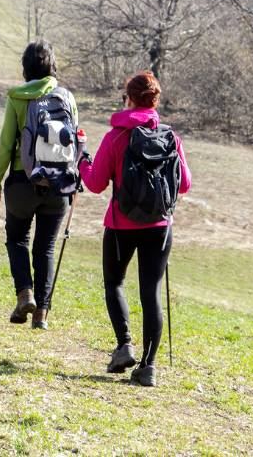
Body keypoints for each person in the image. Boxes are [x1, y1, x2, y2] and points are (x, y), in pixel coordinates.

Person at [79, 71, 192, 387]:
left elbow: (96, 182)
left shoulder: (116, 137)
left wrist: (82, 159)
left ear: (128, 99)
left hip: (121, 226)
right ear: (154, 101)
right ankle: (148, 367)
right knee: (150, 293)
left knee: (114, 283)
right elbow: (185, 184)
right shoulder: (170, 137)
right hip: (160, 227)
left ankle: (124, 345)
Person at [0, 40, 78, 330]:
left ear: (25, 68)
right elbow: (73, 141)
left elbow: (6, 144)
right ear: (52, 65)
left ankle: (24, 293)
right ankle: (42, 313)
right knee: (46, 248)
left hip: (21, 181)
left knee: (16, 239)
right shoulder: (66, 97)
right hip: (58, 185)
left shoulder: (17, 97)